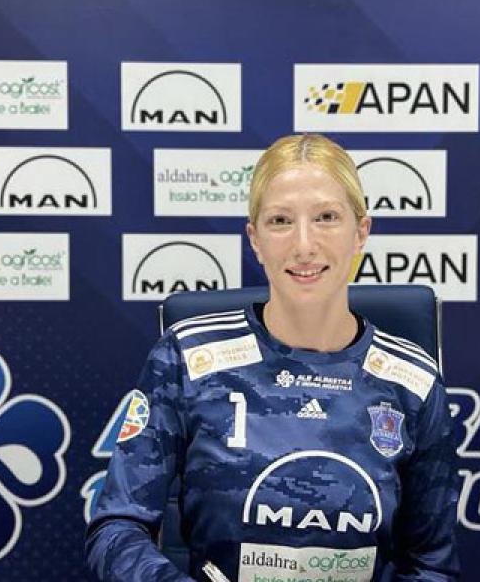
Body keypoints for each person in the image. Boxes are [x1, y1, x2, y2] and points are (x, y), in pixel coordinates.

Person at [85, 134, 460, 582]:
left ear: (361, 231)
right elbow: (117, 528)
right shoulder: (187, 358)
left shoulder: (413, 382)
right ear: (255, 239)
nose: (304, 245)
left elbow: (431, 566)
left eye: (326, 217)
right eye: (280, 221)